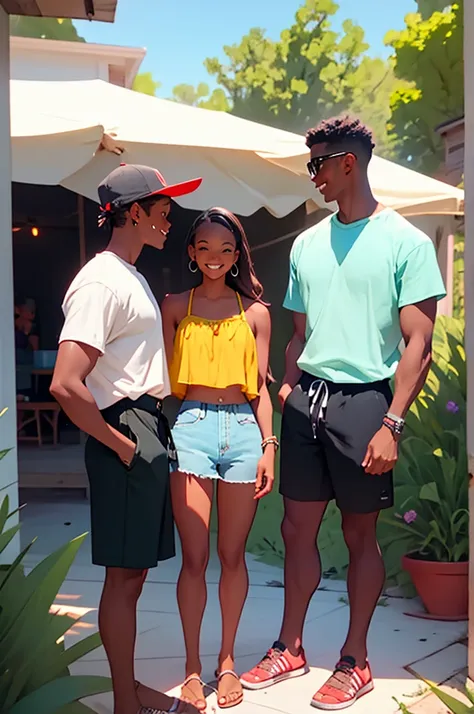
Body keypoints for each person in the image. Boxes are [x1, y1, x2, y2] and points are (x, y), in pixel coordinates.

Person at [240, 116, 447, 710]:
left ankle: (355, 659)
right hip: (307, 403)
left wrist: (393, 423)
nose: (314, 178)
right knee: (294, 528)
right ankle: (291, 646)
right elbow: (299, 334)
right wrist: (287, 385)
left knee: (360, 536)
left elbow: (419, 344)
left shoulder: (405, 242)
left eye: (318, 165)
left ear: (348, 163)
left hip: (366, 406)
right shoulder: (307, 244)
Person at [50, 163, 203, 714]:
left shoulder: (129, 273)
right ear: (133, 212)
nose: (170, 220)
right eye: (163, 211)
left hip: (142, 426)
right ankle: (124, 703)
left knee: (133, 574)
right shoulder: (101, 280)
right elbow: (67, 383)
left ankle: (127, 693)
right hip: (125, 428)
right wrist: (121, 445)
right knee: (123, 575)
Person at [161, 207, 276, 710]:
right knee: (195, 558)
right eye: (204, 248)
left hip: (245, 433)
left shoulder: (255, 312)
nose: (214, 258)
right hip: (189, 428)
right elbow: (161, 386)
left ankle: (226, 661)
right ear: (191, 252)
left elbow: (263, 391)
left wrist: (270, 445)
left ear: (236, 255)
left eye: (225, 250)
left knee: (233, 555)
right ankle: (191, 667)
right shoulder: (173, 306)